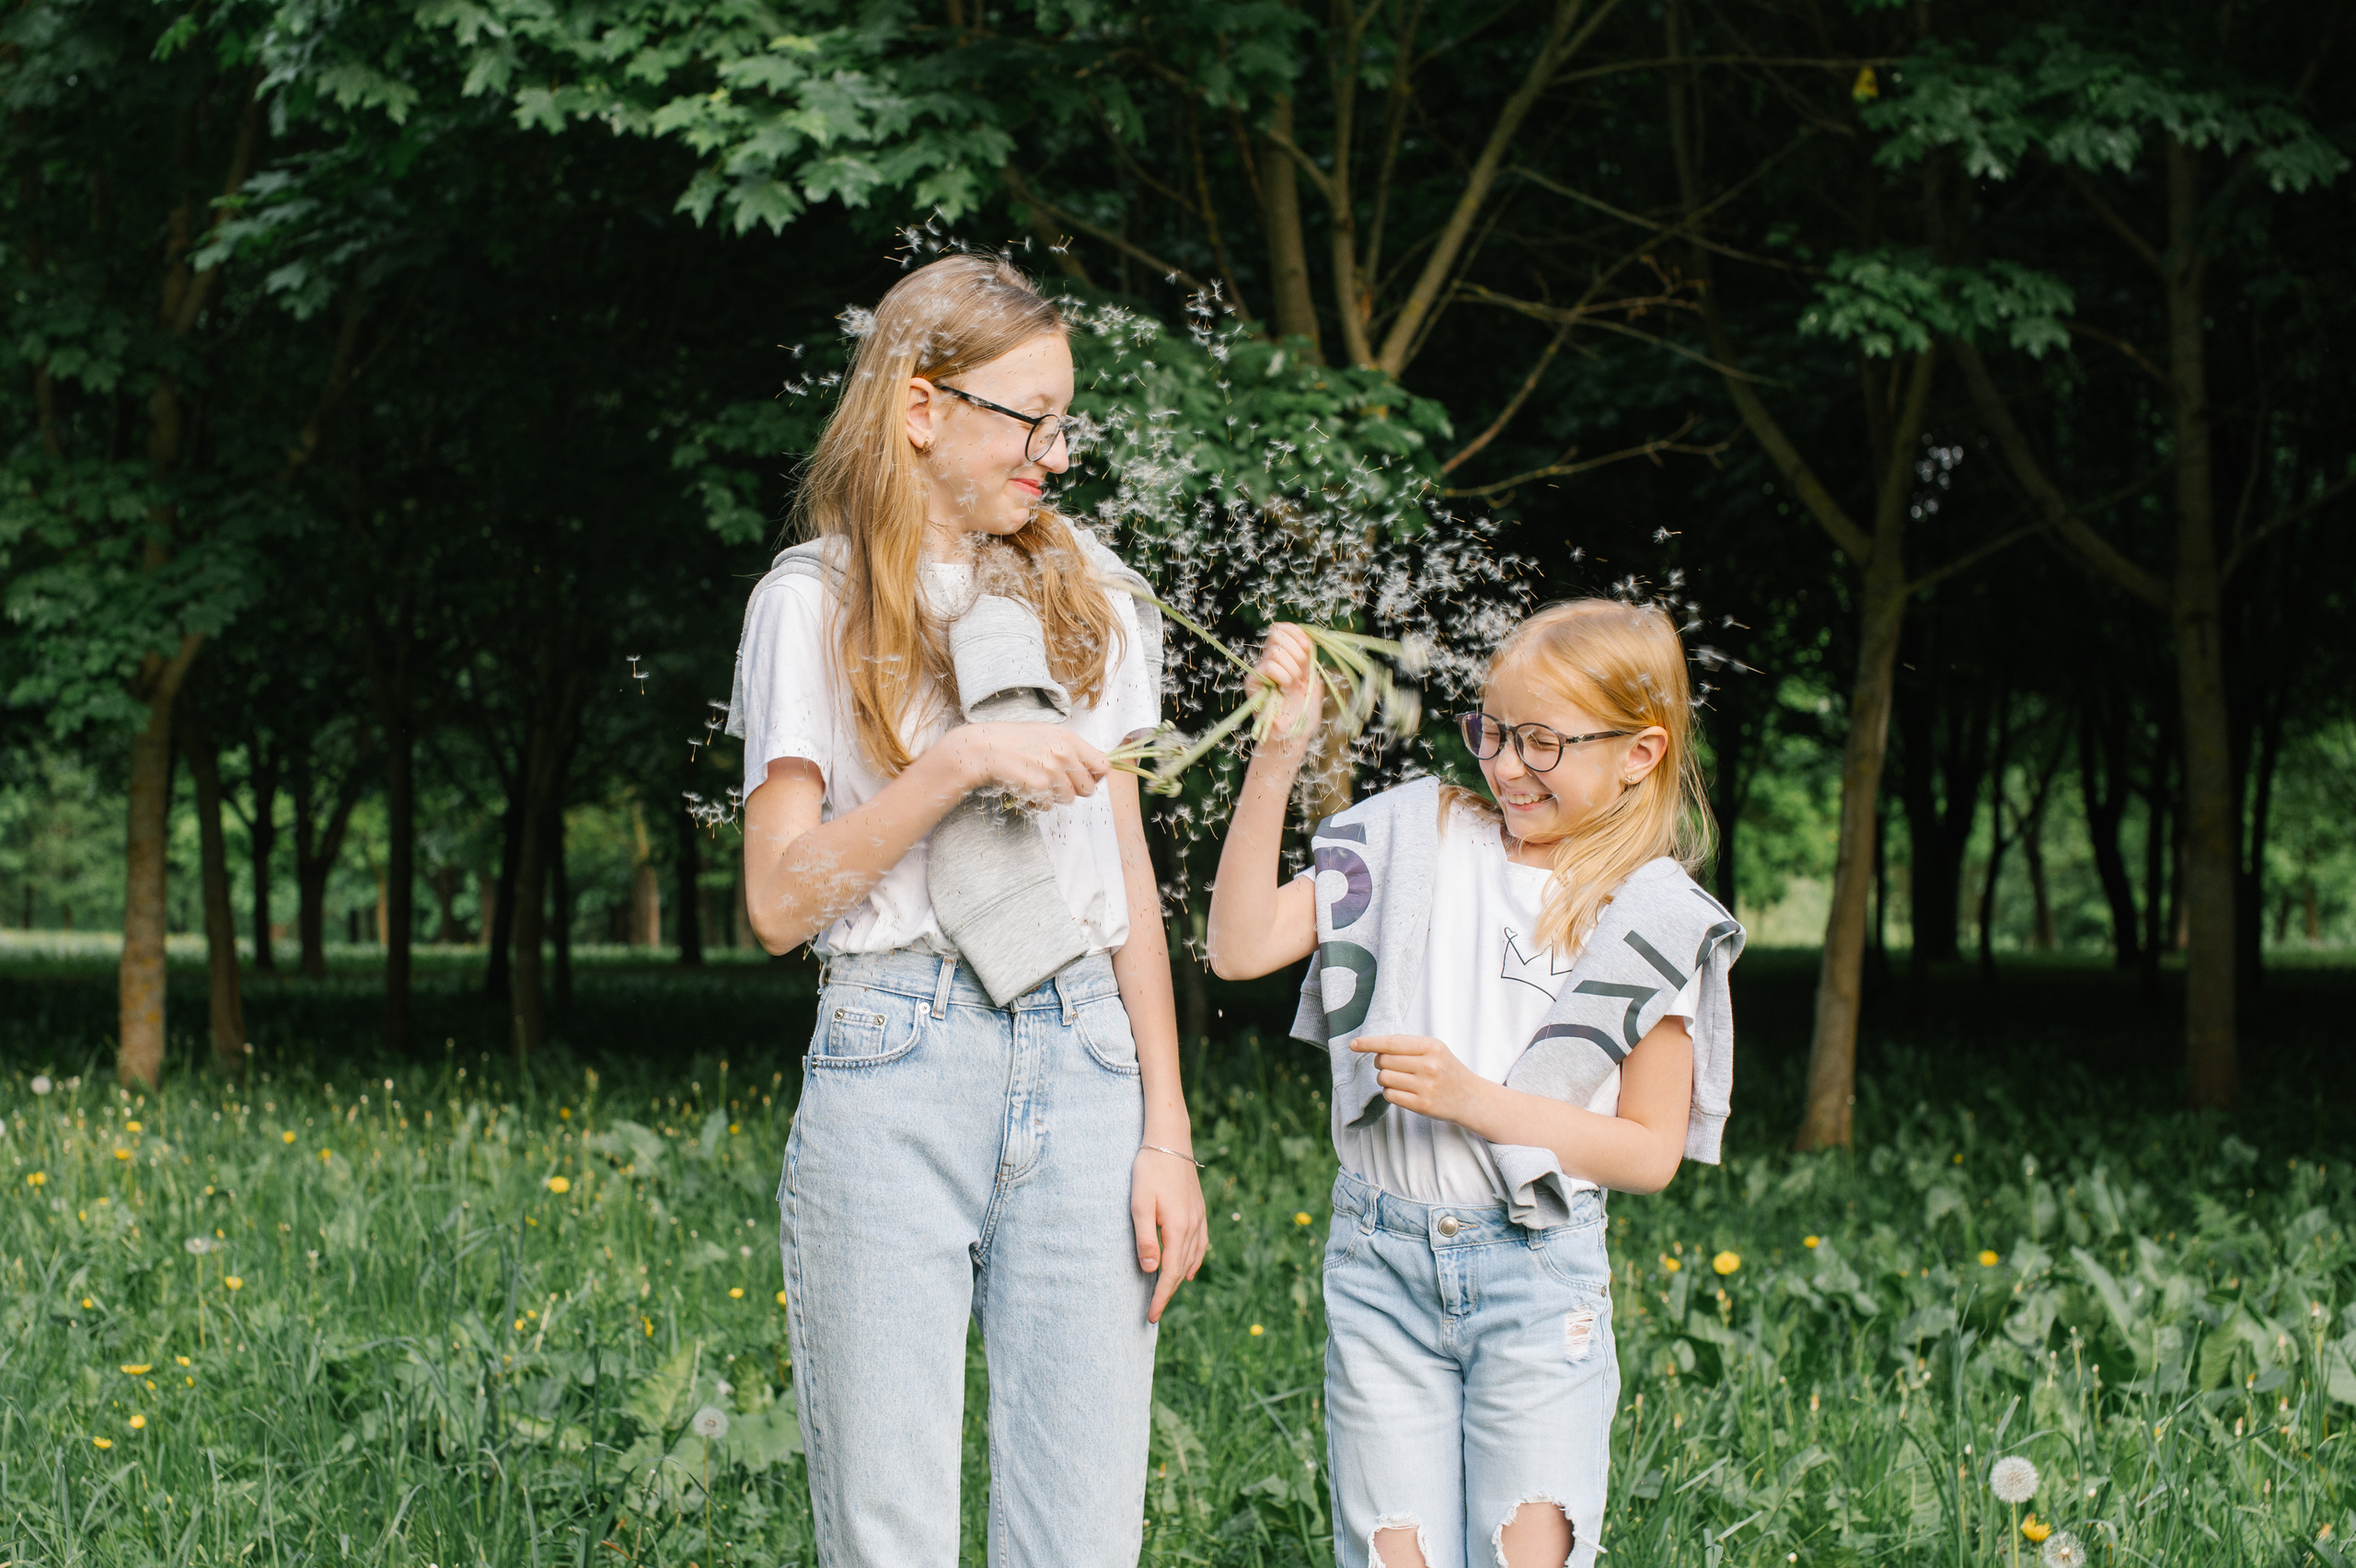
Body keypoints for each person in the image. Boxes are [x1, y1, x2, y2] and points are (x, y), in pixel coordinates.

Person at [728, 254, 1208, 1568]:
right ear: (921, 409)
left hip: (1089, 1063)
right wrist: (955, 766)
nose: (1057, 453)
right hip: (899, 1057)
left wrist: (1166, 1132)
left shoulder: (1094, 599)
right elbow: (776, 902)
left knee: (1083, 1536)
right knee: (889, 1531)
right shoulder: (810, 605)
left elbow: (1126, 890)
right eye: (1030, 419)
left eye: (1065, 423)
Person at [1205, 600, 1743, 1568]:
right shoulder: (1418, 840)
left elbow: (1650, 1153)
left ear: (1639, 753)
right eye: (1491, 731)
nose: (1505, 766)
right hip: (1381, 1264)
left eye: (1542, 743)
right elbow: (1239, 948)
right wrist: (1278, 754)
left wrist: (1476, 1101)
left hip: (1536, 1281)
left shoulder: (1649, 919)